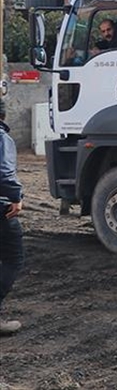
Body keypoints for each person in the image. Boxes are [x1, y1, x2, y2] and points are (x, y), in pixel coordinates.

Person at [0, 105, 23, 336]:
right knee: (13, 259)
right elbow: (5, 173)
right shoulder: (2, 138)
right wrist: (16, 198)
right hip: (1, 209)